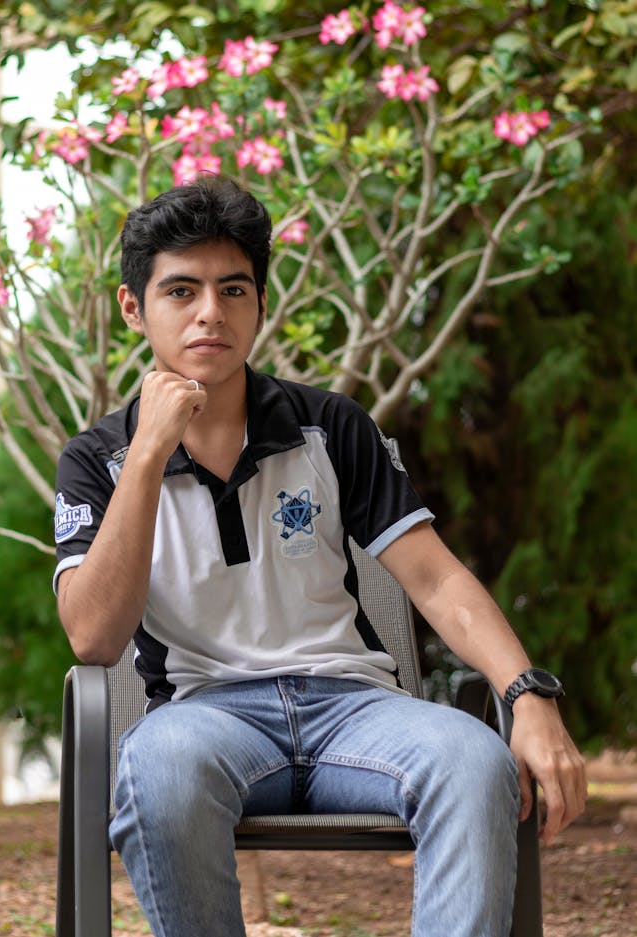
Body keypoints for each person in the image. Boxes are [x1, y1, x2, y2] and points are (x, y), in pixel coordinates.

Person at [53, 174, 586, 937]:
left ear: (261, 306)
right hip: (205, 718)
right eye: (182, 291)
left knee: (473, 760)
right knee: (158, 769)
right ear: (133, 307)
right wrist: (147, 453)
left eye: (235, 289)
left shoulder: (329, 428)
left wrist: (529, 693)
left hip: (355, 710)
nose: (211, 312)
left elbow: (435, 579)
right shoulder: (96, 459)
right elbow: (93, 637)